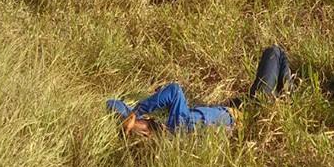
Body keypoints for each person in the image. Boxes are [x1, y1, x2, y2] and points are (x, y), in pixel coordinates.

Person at [110, 45, 292, 137]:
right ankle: (288, 97)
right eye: (143, 122)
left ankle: (284, 97)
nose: (148, 119)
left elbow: (111, 103)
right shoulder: (180, 125)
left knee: (273, 66)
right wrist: (136, 112)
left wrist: (128, 117)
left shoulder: (175, 128)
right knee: (274, 52)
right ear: (146, 132)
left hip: (239, 107)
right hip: (254, 111)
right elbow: (174, 91)